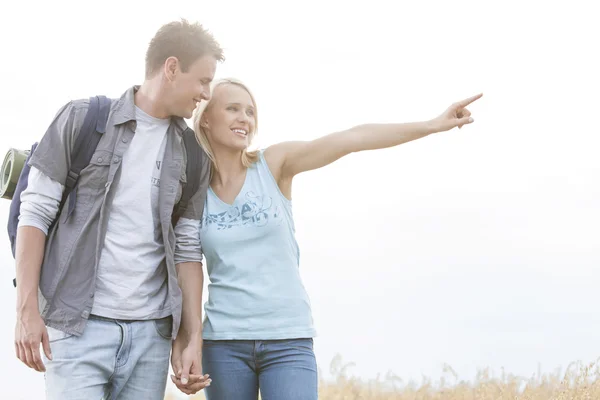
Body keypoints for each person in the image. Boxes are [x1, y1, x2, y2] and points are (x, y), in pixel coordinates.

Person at [170, 77, 482, 399]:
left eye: (250, 112)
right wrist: (187, 341)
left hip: (288, 340)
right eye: (233, 109)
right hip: (224, 344)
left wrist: (431, 125)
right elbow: (186, 265)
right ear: (205, 118)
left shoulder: (274, 164)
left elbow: (352, 138)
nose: (244, 119)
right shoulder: (194, 193)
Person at [14, 19, 222, 399]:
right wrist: (26, 311)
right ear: (172, 68)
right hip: (77, 329)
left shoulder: (194, 154)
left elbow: (188, 250)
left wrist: (190, 338)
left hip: (150, 338)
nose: (206, 93)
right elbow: (35, 213)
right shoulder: (83, 119)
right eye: (203, 80)